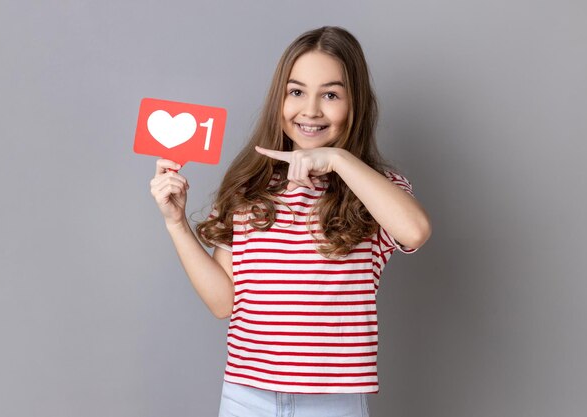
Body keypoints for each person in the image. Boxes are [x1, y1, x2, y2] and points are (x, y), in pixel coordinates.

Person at [149, 26, 431, 417]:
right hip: (245, 396)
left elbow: (415, 230)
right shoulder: (249, 185)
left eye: (330, 95)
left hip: (332, 403)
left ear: (355, 104)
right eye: (296, 92)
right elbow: (223, 302)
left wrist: (337, 160)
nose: (310, 110)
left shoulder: (373, 190)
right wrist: (176, 222)